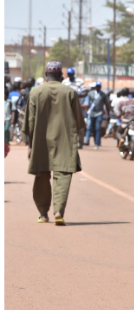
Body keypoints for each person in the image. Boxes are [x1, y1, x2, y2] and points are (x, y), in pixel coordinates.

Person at [21, 61, 85, 226]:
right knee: (62, 175)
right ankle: (58, 211)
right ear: (61, 76)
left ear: (45, 75)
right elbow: (79, 122)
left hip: (41, 141)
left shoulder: (36, 92)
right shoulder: (70, 93)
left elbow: (30, 122)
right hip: (64, 140)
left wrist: (30, 146)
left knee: (41, 175)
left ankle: (43, 214)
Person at [84, 81, 110, 149]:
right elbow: (87, 103)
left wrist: (108, 114)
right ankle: (87, 141)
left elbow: (107, 104)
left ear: (100, 87)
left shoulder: (103, 95)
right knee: (89, 127)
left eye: (99, 86)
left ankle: (97, 142)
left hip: (99, 113)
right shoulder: (90, 93)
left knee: (97, 128)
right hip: (91, 113)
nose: (98, 87)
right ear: (95, 87)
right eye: (97, 86)